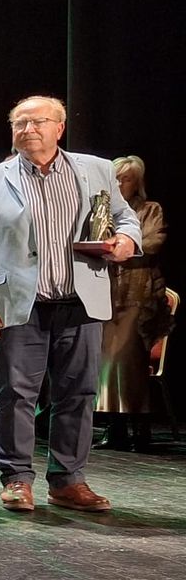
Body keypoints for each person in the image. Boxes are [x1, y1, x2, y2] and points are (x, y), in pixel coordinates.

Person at [0, 95, 142, 512]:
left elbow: (126, 217)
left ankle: (67, 479)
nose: (28, 130)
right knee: (16, 393)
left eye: (37, 122)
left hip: (81, 299)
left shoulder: (96, 170)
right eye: (20, 123)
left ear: (59, 128)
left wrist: (126, 241)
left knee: (77, 393)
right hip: (20, 303)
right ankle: (16, 478)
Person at [96, 155, 169, 451]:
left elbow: (152, 241)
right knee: (105, 362)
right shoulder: (103, 210)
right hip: (107, 292)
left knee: (128, 360)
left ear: (136, 182)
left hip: (138, 294)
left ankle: (140, 426)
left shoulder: (149, 210)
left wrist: (121, 245)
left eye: (125, 178)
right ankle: (114, 427)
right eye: (116, 178)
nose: (120, 184)